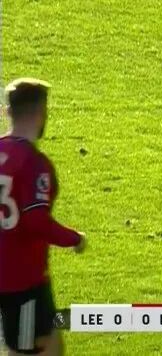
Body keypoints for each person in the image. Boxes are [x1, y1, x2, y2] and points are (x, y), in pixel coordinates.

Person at [0, 78, 86, 355]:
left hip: (14, 278)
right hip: (22, 281)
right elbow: (35, 221)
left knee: (51, 343)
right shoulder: (34, 163)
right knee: (29, 350)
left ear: (8, 112)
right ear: (41, 113)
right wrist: (74, 238)